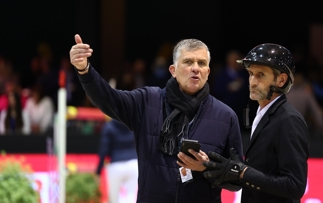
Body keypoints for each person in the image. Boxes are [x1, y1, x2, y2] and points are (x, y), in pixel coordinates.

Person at [69, 34, 243, 203]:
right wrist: (84, 70)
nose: (195, 68)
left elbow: (237, 178)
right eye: (188, 62)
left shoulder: (226, 116)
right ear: (173, 70)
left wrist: (206, 167)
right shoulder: (147, 101)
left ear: (208, 71)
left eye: (202, 63)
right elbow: (108, 98)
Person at [203, 43, 310, 203]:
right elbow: (259, 174)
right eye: (250, 74)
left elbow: (294, 186)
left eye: (260, 75)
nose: (252, 82)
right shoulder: (263, 113)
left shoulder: (289, 120)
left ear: (281, 80)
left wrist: (243, 172)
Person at [96, 118, 138, 203]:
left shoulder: (109, 126)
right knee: (131, 197)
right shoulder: (134, 124)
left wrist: (98, 171)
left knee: (114, 198)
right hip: (134, 163)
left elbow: (104, 150)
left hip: (116, 164)